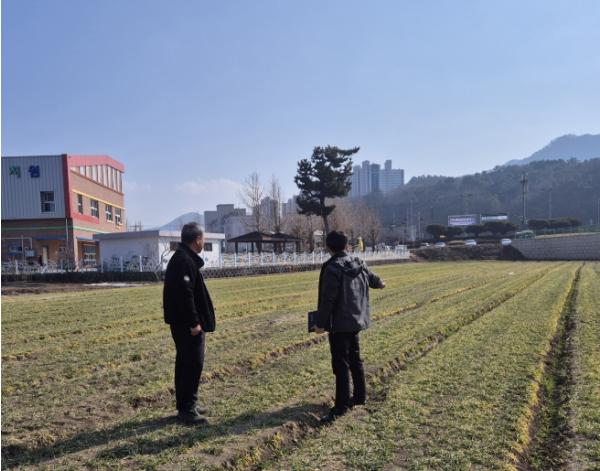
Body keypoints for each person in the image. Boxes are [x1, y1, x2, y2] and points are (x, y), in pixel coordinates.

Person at [315, 230, 385, 424]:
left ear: (328, 246)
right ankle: (360, 397)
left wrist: (320, 323)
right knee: (355, 359)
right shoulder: (359, 262)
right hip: (356, 320)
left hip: (339, 323)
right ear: (346, 245)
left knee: (341, 365)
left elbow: (328, 299)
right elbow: (373, 279)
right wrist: (381, 283)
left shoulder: (333, 267)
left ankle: (341, 406)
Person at [163, 222, 216, 424]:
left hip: (182, 323)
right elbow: (185, 296)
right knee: (192, 364)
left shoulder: (182, 257)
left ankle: (187, 404)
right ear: (197, 240)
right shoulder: (184, 260)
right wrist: (194, 323)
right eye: (203, 239)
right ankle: (187, 410)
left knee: (186, 363)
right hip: (187, 325)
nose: (203, 242)